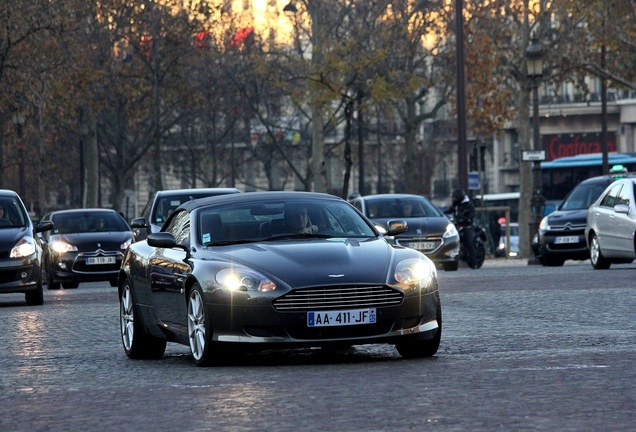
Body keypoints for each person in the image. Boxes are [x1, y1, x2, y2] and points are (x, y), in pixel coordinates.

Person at [446, 189, 477, 269]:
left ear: (459, 197)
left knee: (469, 242)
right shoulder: (455, 205)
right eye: (453, 198)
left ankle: (474, 263)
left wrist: (464, 219)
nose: (454, 199)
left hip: (467, 226)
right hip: (457, 225)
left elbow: (472, 214)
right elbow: (449, 211)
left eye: (455, 197)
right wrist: (442, 215)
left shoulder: (468, 205)